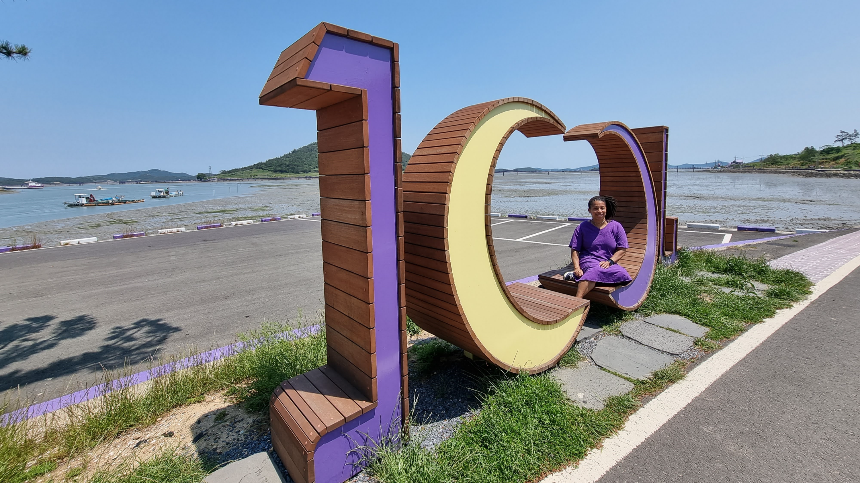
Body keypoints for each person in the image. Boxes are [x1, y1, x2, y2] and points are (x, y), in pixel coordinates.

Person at [564, 195, 632, 298]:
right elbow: (575, 250)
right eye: (595, 208)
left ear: (606, 209)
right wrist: (577, 268)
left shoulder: (616, 226)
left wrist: (610, 261)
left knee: (622, 274)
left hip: (607, 262)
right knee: (594, 270)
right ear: (589, 210)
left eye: (602, 208)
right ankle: (577, 301)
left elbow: (622, 249)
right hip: (588, 260)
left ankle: (580, 277)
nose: (599, 211)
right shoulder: (582, 227)